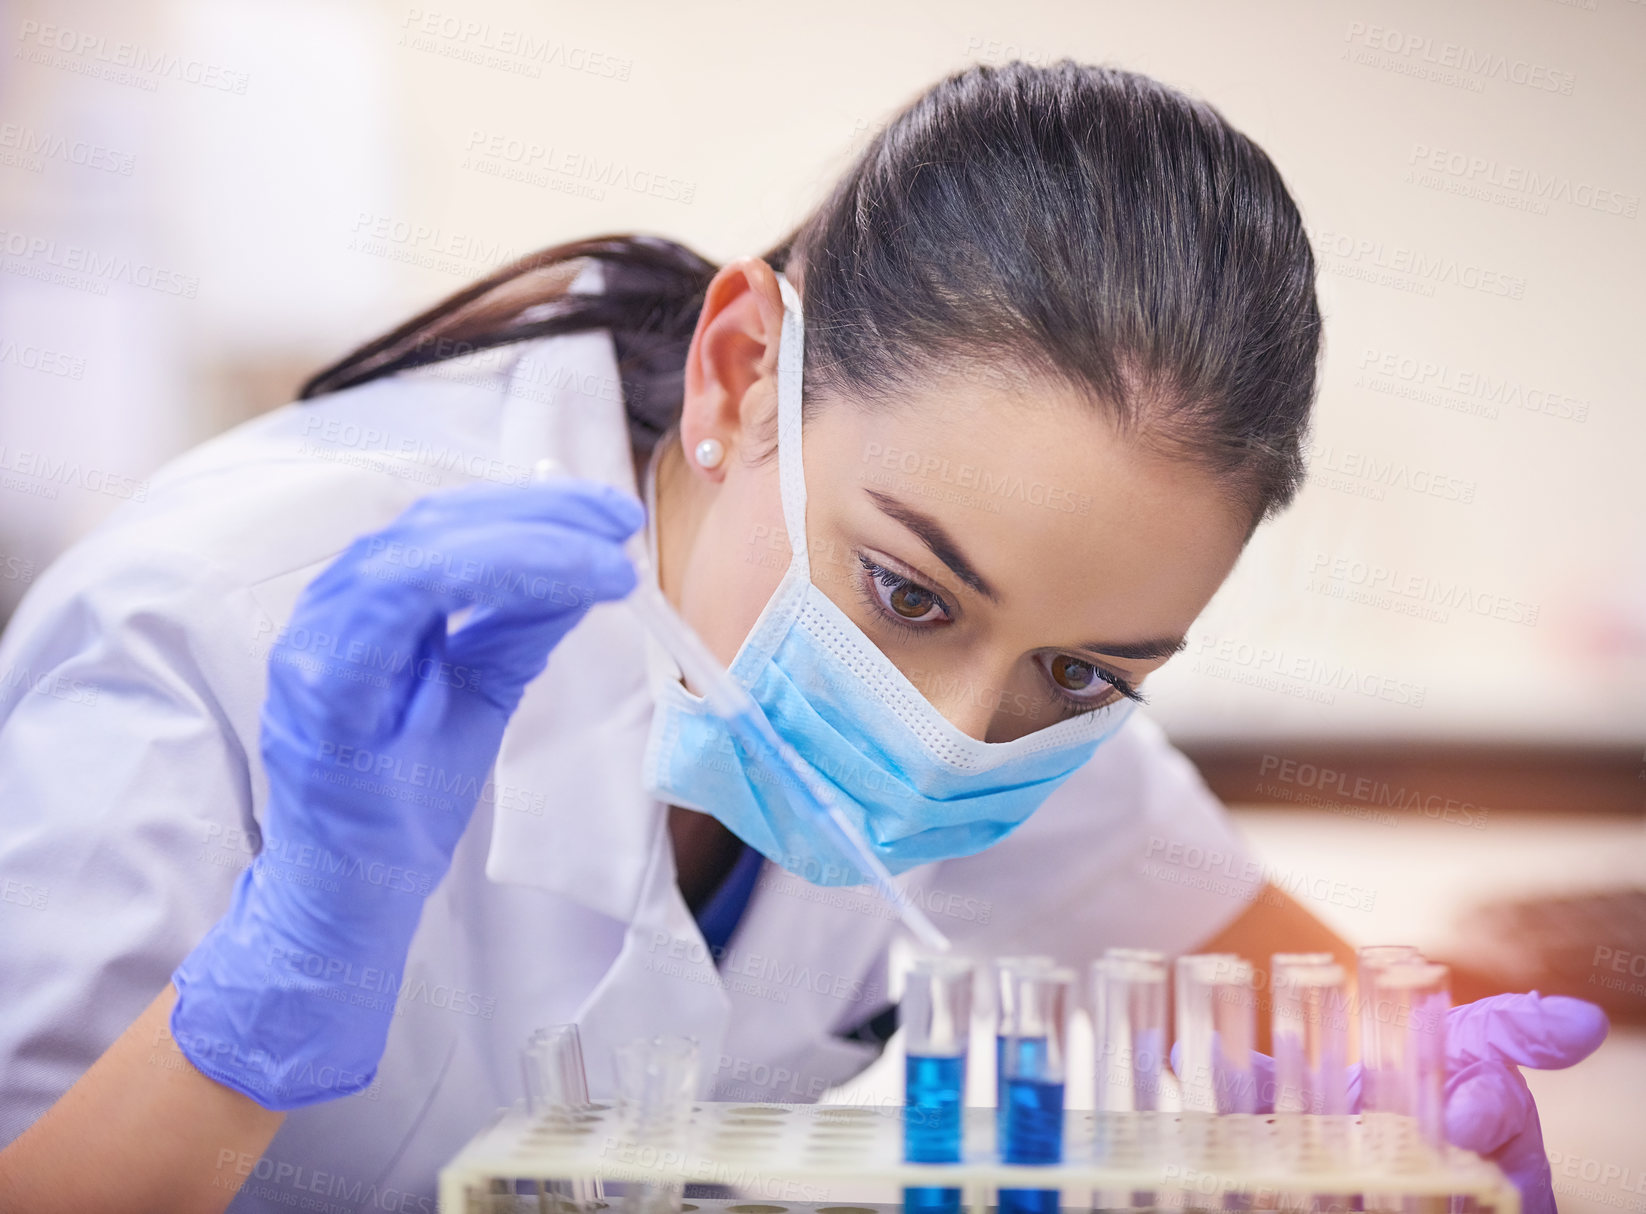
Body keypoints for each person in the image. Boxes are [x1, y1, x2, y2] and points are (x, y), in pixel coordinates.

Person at [0, 61, 1605, 1214]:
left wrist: (1399, 1105)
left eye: (1087, 670)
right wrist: (260, 1010)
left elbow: (1313, 1006)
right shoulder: (210, 623)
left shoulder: (1020, 712)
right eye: (909, 592)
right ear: (739, 373)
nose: (955, 736)